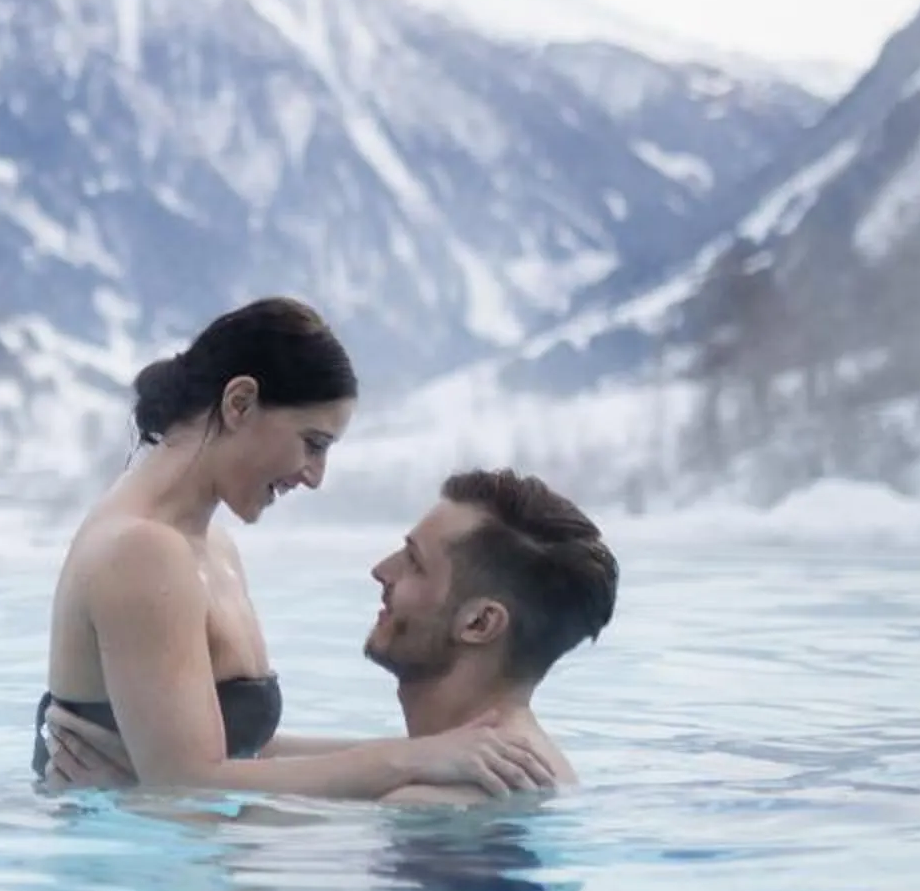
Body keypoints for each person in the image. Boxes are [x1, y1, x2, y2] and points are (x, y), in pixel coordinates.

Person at [36, 298, 561, 799]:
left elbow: (241, 757)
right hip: (147, 877)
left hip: (191, 871)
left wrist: (436, 752)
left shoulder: (207, 545)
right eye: (313, 443)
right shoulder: (143, 551)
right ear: (239, 403)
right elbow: (185, 792)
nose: (315, 477)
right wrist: (413, 761)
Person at [46, 467, 617, 803]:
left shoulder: (442, 801)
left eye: (414, 563)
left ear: (479, 624)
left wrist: (134, 801)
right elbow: (267, 772)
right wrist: (163, 764)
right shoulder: (477, 757)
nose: (382, 569)